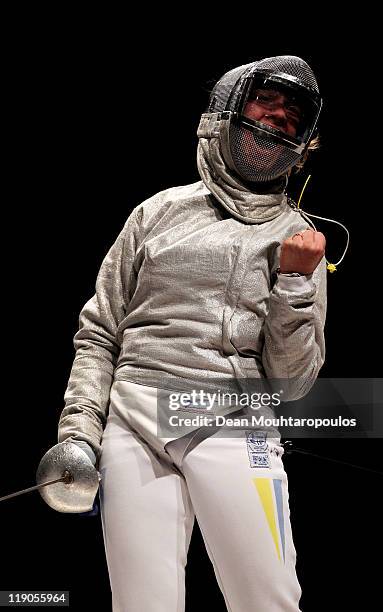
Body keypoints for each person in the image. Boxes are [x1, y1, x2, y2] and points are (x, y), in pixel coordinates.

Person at [50, 55, 327, 611]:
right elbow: (100, 332)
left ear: (302, 144)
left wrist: (295, 283)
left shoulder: (298, 237)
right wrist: (79, 431)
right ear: (226, 112)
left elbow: (293, 384)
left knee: (266, 601)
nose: (277, 120)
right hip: (133, 423)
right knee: (141, 605)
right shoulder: (156, 213)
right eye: (265, 104)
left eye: (292, 117)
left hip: (232, 423)